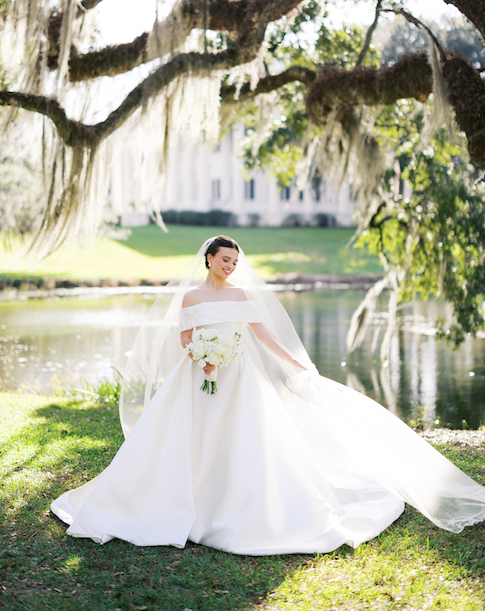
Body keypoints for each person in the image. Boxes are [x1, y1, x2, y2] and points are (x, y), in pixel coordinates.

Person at [51, 235, 485, 554]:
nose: (230, 266)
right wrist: (201, 355)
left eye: (235, 261)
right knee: (188, 437)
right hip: (198, 376)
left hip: (239, 379)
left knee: (243, 439)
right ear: (209, 258)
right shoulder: (191, 295)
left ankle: (234, 501)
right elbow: (184, 339)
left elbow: (262, 336)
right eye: (224, 259)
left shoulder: (242, 295)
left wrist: (296, 361)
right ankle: (177, 497)